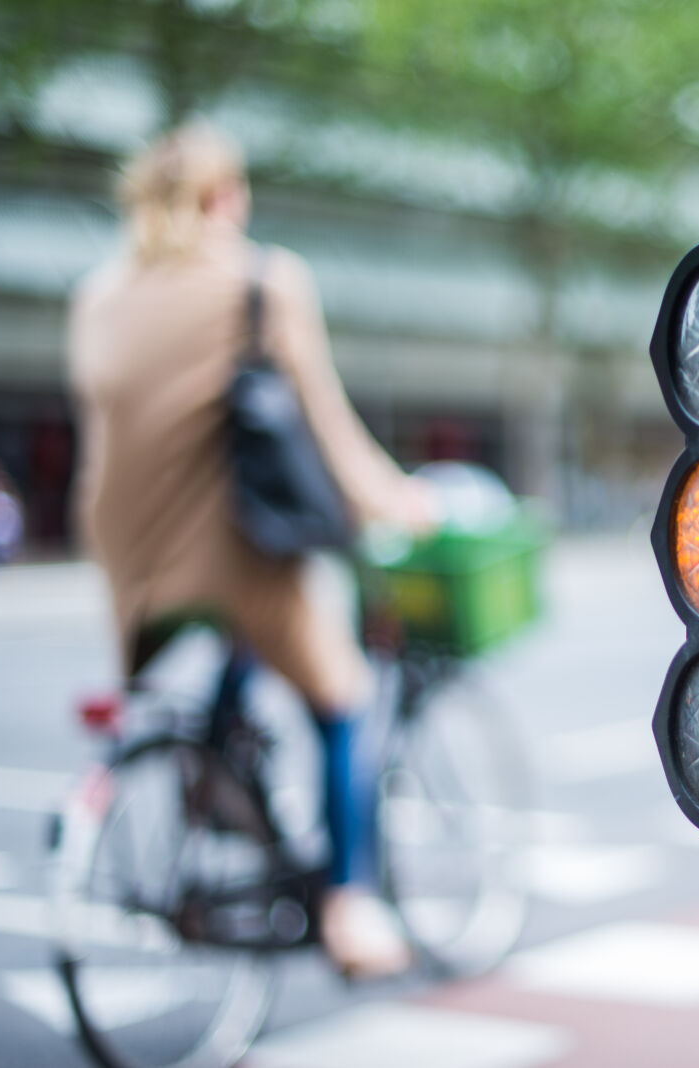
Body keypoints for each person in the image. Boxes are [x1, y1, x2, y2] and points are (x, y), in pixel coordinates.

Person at [66, 123, 440, 978]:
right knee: (340, 695)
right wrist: (396, 500)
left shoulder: (95, 294)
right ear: (221, 199)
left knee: (244, 635)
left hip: (129, 562)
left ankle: (215, 761)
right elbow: (328, 427)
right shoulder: (262, 282)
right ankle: (351, 903)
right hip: (228, 552)